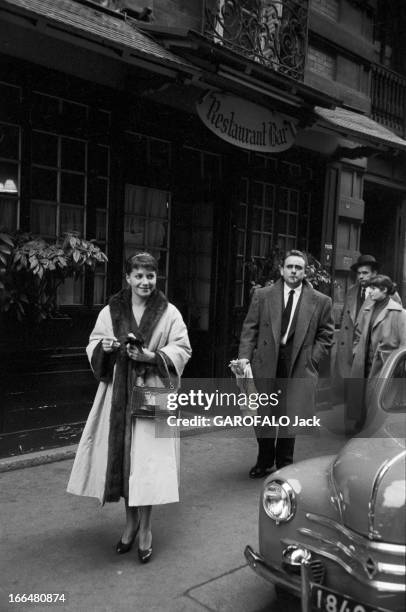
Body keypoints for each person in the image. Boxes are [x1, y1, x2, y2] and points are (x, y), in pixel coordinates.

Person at [67, 252, 191, 563]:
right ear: (128, 278)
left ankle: (146, 528)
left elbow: (182, 347)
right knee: (125, 461)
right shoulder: (112, 310)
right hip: (118, 392)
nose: (145, 282)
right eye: (138, 275)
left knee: (147, 464)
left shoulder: (169, 312)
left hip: (154, 392)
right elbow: (94, 342)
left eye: (150, 276)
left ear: (156, 278)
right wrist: (105, 348)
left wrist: (151, 357)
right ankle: (130, 522)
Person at [236, 249, 334, 477]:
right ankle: (264, 460)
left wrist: (312, 357)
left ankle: (284, 463)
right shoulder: (263, 295)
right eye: (290, 266)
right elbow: (250, 329)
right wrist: (244, 358)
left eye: (298, 267)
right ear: (281, 269)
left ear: (305, 272)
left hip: (298, 363)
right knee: (263, 414)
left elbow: (326, 335)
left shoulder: (321, 301)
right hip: (267, 363)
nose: (293, 271)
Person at [350, 275, 406, 412]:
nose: (369, 291)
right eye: (369, 288)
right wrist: (356, 351)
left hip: (384, 367)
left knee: (377, 406)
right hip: (362, 365)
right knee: (359, 403)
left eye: (373, 288)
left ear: (384, 290)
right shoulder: (367, 310)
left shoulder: (400, 313)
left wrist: (396, 368)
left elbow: (404, 345)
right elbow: (357, 334)